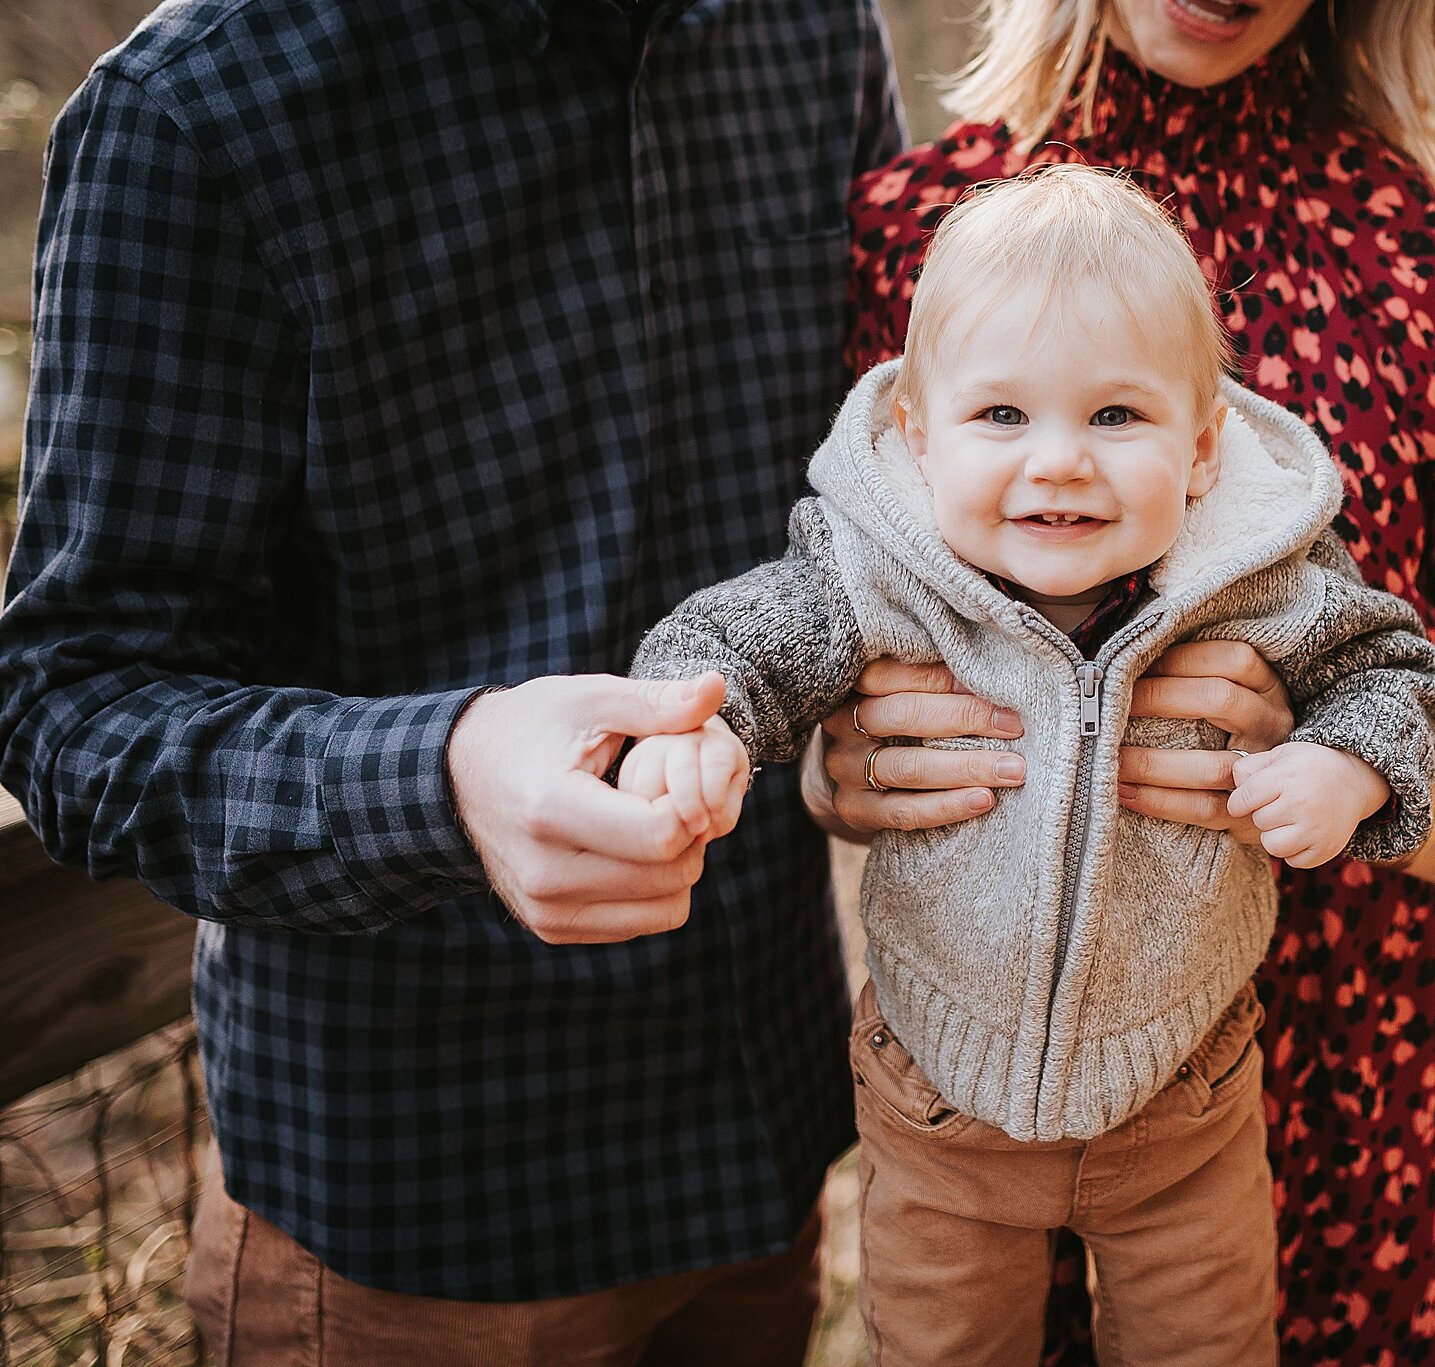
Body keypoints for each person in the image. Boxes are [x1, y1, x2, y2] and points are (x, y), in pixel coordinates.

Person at [0, 0, 901, 1361]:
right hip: (425, 1225)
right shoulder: (196, 110)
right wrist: (443, 775)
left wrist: (863, 718)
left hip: (763, 1144)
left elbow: (868, 495)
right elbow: (71, 701)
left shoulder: (816, 27)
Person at [823, 1, 1435, 1362]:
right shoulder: (904, 241)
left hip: (1359, 1097)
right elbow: (821, 613)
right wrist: (838, 759)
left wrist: (1355, 766)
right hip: (993, 1109)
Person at [623, 165, 1435, 1366]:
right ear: (916, 433)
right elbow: (739, 639)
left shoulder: (1260, 575)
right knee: (938, 1344)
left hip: (1186, 1085)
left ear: (1204, 447)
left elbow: (1398, 668)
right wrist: (692, 723)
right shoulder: (880, 569)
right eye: (1001, 416)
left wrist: (1346, 762)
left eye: (1116, 417)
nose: (1059, 460)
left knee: (1208, 1344)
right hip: (942, 1095)